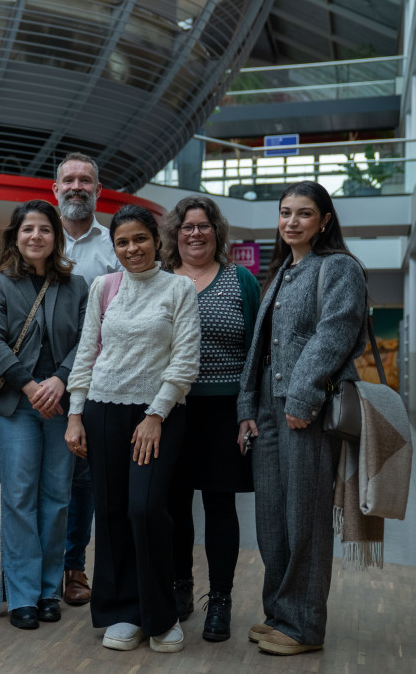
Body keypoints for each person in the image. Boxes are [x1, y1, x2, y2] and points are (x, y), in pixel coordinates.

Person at [237, 181, 368, 656]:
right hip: (269, 408)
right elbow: (260, 349)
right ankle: (278, 613)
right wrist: (246, 408)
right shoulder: (280, 274)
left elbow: (334, 335)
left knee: (305, 518)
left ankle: (304, 625)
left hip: (303, 409)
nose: (292, 222)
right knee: (271, 518)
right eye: (285, 213)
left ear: (325, 220)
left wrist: (302, 398)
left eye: (304, 214)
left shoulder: (338, 268)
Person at [65, 204, 201, 653]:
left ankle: (160, 616)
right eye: (122, 241)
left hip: (158, 415)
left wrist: (155, 414)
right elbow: (87, 353)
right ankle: (122, 612)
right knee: (110, 512)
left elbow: (185, 361)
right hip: (103, 410)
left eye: (139, 239)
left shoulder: (179, 288)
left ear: (157, 240)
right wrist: (75, 414)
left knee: (145, 509)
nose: (131, 249)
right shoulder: (103, 287)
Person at [0, 199, 88, 630]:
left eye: (44, 229)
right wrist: (28, 384)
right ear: (15, 237)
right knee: (20, 496)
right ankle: (20, 594)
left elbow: (88, 338)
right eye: (28, 230)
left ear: (56, 237)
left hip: (62, 404)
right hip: (17, 404)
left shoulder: (77, 286)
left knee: (58, 497)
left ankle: (46, 590)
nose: (36, 236)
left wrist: (61, 378)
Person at [160, 195, 260, 643]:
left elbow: (258, 355)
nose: (195, 233)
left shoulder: (241, 281)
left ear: (217, 232)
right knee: (175, 505)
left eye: (203, 226)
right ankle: (181, 586)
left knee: (220, 507)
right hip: (171, 409)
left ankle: (220, 598)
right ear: (174, 234)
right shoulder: (160, 281)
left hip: (225, 410)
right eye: (187, 226)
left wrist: (248, 412)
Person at [52, 152, 119, 606]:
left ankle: (73, 568)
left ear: (98, 190)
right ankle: (30, 569)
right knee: (34, 480)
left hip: (96, 380)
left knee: (81, 481)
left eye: (85, 180)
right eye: (68, 180)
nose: (76, 186)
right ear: (54, 190)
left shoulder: (115, 245)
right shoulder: (35, 236)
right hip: (38, 383)